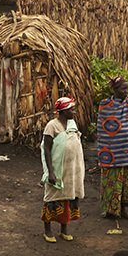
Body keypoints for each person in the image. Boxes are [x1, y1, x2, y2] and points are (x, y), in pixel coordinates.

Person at [96, 77, 128, 225]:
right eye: (123, 89)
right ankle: (110, 209)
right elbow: (102, 129)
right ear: (115, 90)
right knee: (110, 183)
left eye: (127, 88)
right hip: (111, 152)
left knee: (126, 183)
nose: (126, 92)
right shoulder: (105, 105)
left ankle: (123, 209)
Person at [40, 96, 85, 243]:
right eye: (71, 109)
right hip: (57, 169)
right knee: (52, 198)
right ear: (63, 111)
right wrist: (51, 171)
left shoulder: (72, 124)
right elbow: (46, 149)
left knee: (68, 197)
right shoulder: (52, 126)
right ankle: (47, 231)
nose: (74, 111)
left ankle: (64, 230)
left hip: (72, 170)